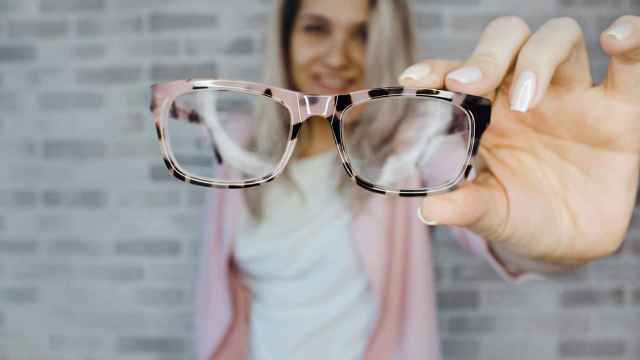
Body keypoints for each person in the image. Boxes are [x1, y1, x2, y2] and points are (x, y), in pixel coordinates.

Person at [195, 1, 640, 359]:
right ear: (285, 38)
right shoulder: (240, 147)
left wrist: (557, 225)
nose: (337, 55)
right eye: (316, 28)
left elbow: (497, 218)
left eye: (362, 33)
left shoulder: (411, 144)